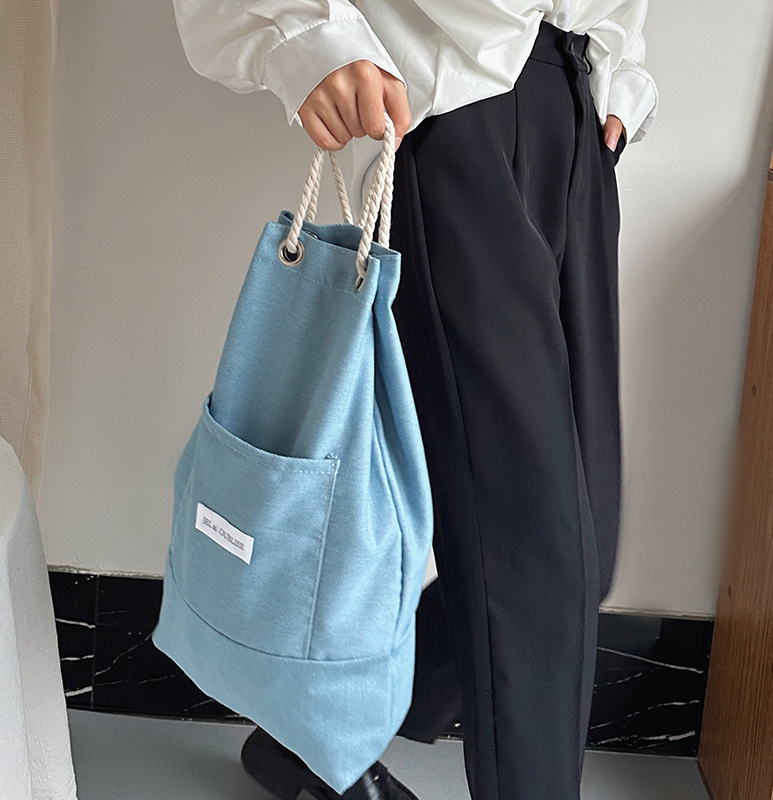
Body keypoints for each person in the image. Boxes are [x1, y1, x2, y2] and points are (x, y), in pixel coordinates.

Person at [168, 1, 658, 798]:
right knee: (534, 554)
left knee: (583, 552)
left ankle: (309, 742)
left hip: (580, 118)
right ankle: (321, 738)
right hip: (458, 112)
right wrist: (304, 40)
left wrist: (621, 84)